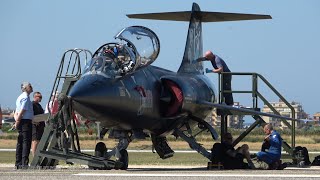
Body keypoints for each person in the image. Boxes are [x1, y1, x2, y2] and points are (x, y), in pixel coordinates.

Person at [14, 82, 34, 169]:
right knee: (26, 142)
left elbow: (16, 111)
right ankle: (24, 163)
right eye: (30, 86)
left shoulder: (20, 97)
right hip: (25, 122)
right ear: (26, 88)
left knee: (20, 142)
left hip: (22, 121)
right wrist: (17, 122)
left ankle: (18, 163)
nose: (31, 87)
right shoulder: (25, 98)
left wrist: (17, 120)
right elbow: (22, 111)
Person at [31, 92, 45, 157]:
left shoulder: (39, 105)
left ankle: (37, 155)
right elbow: (30, 114)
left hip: (40, 126)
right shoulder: (32, 104)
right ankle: (34, 156)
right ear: (35, 97)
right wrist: (34, 121)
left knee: (38, 141)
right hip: (35, 126)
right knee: (35, 141)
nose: (41, 99)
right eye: (39, 97)